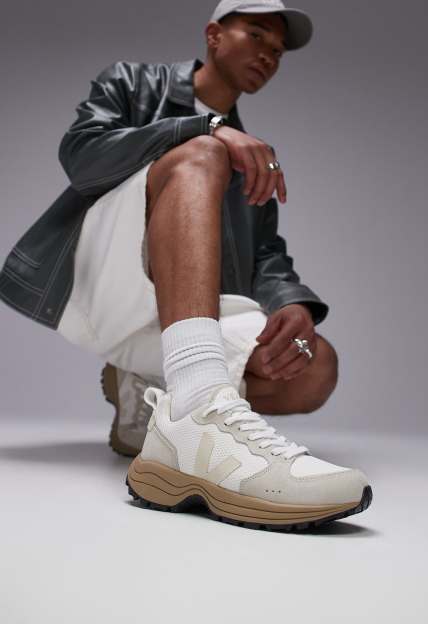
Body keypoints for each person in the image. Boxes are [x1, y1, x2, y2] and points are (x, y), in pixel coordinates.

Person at [0, 0, 373, 530]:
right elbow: (82, 157)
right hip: (103, 280)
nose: (268, 55)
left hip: (179, 313)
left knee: (314, 367)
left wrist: (292, 305)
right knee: (201, 154)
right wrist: (206, 129)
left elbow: (266, 252)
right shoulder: (132, 83)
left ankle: (153, 409)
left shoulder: (249, 155)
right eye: (257, 35)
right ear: (214, 35)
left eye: (277, 51)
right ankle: (198, 409)